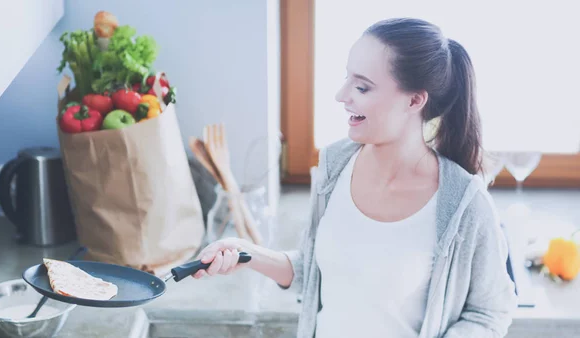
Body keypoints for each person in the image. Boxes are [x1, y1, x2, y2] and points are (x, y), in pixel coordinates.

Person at [192, 17, 517, 338]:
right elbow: (317, 272)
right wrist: (247, 253)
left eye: (362, 86)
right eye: (347, 78)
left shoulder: (464, 204)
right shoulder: (335, 165)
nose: (341, 95)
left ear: (415, 100)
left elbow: (491, 313)